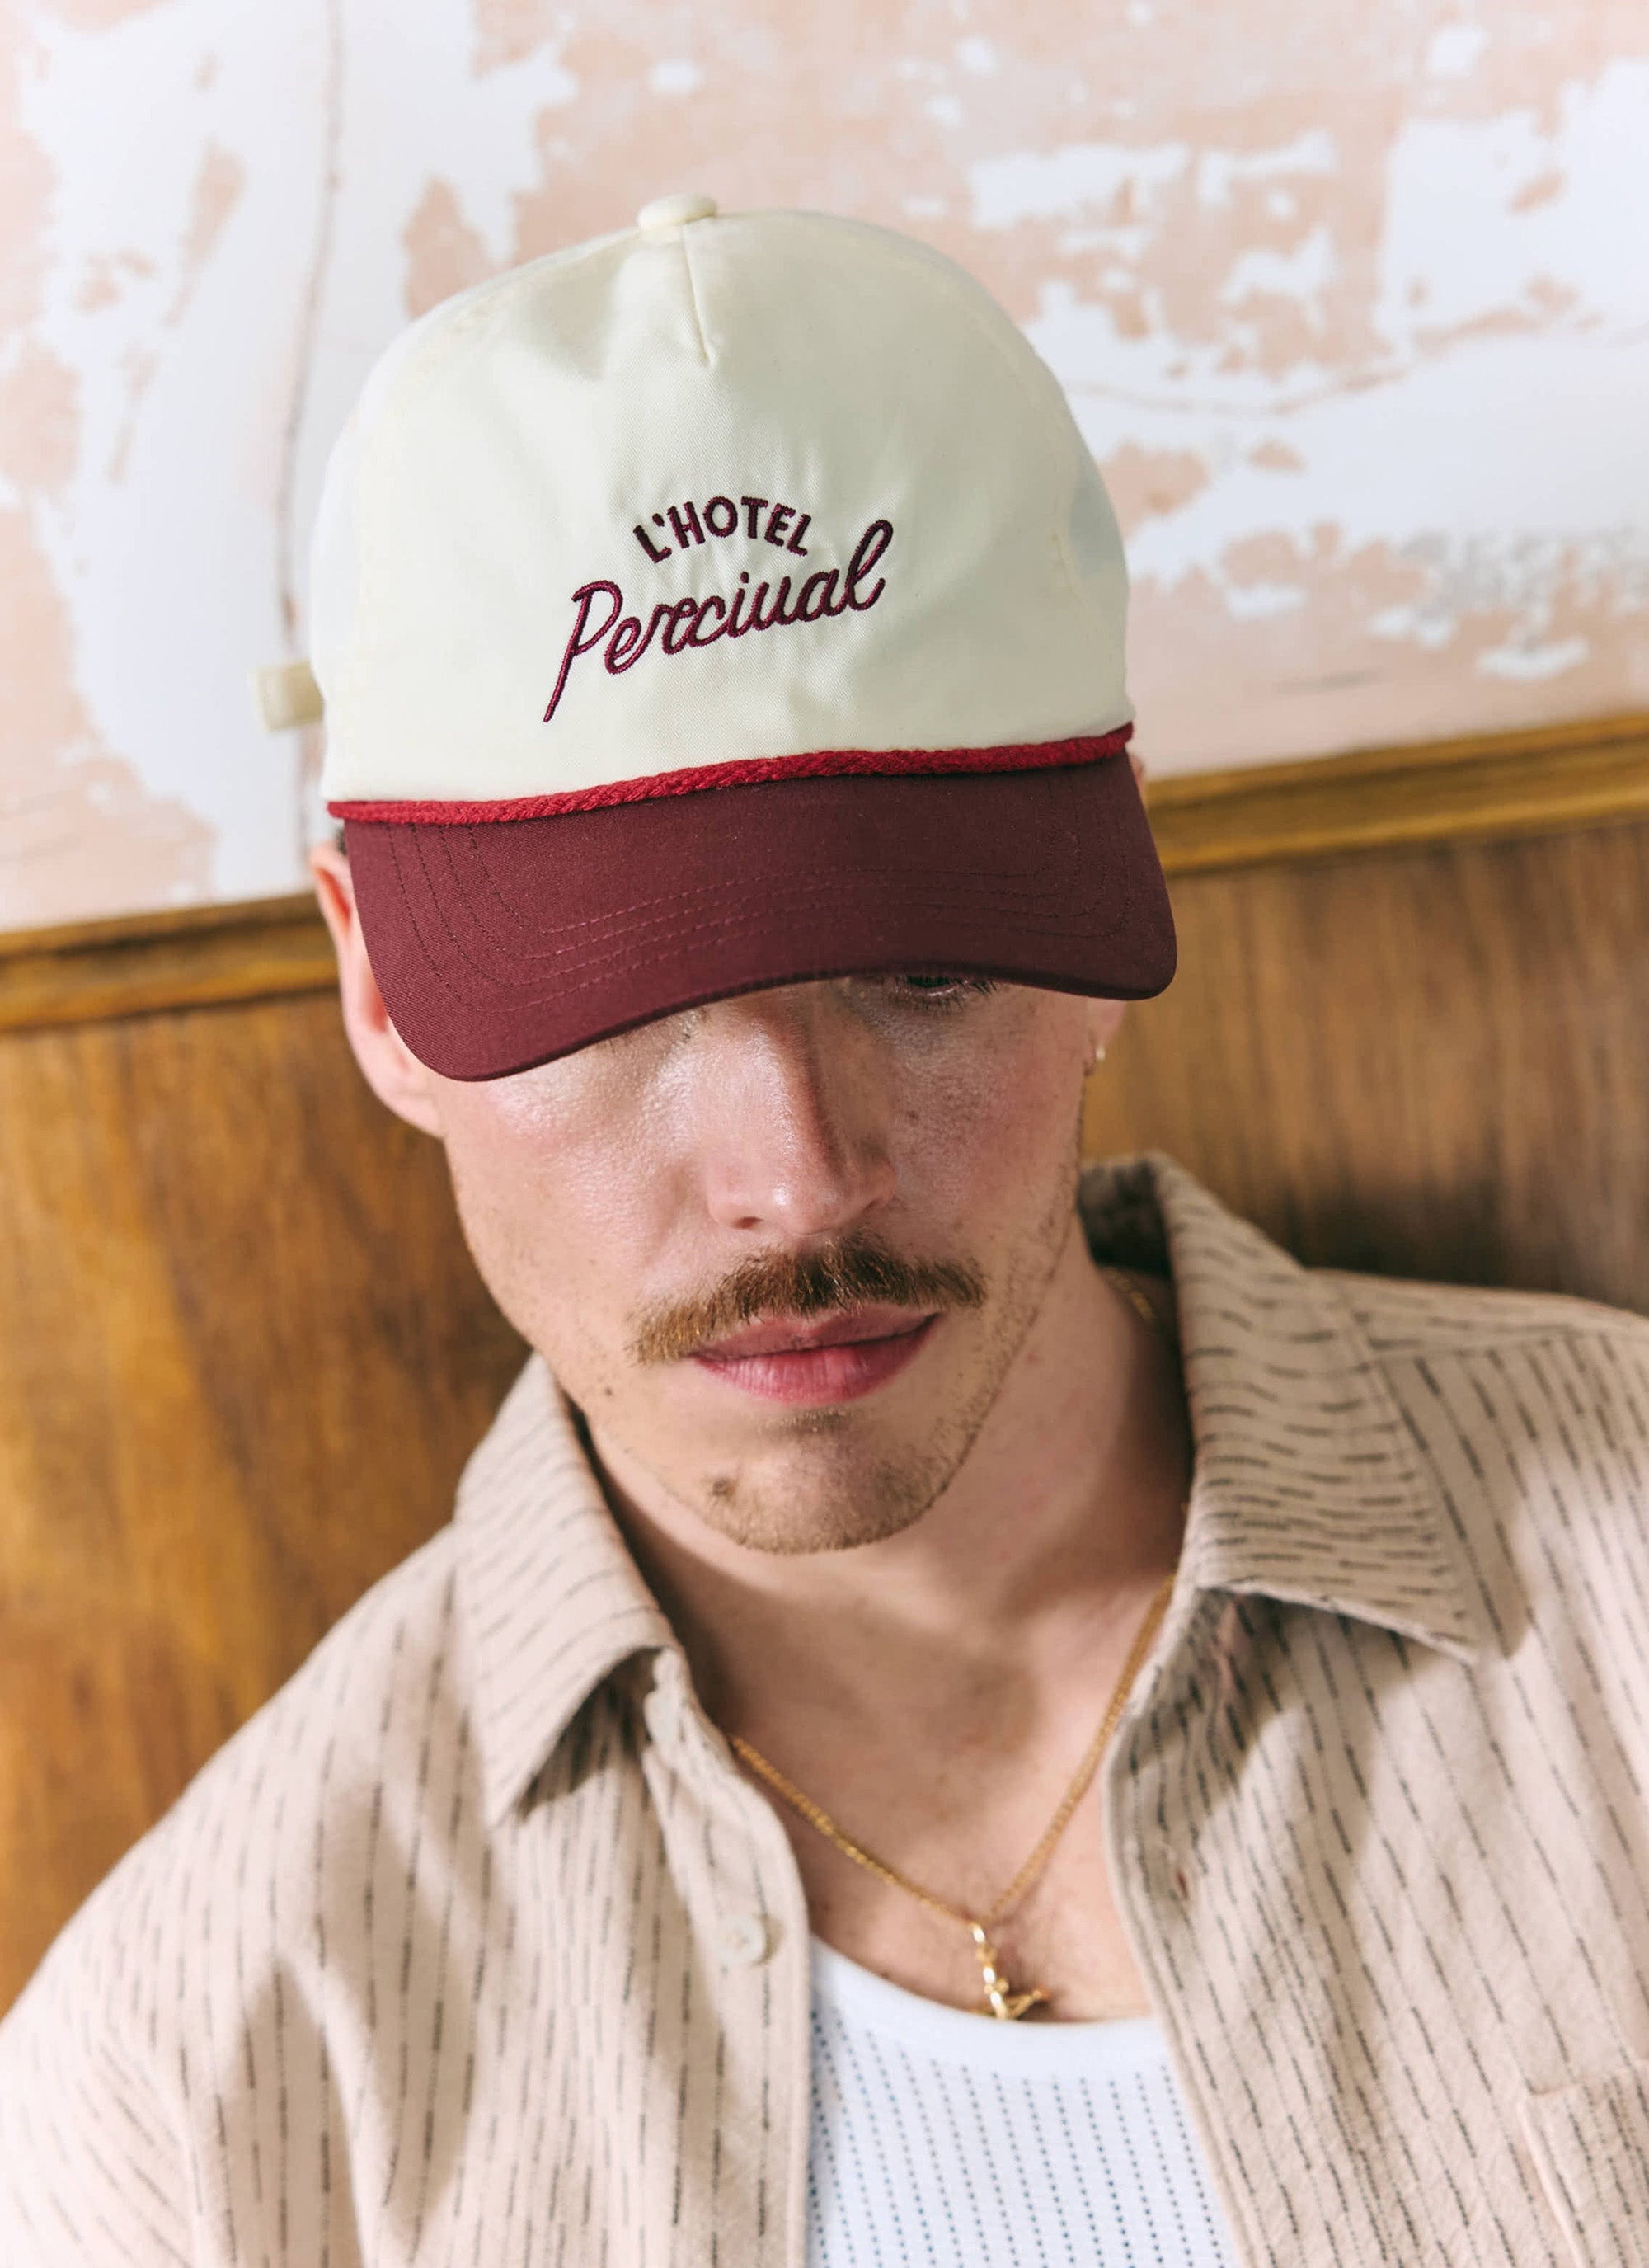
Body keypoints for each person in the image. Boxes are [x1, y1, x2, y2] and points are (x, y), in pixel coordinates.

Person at [2, 194, 1647, 2268]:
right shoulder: (194, 2082)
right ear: (380, 1000)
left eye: (921, 972)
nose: (795, 1173)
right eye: (617, 1004)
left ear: (1098, 941)